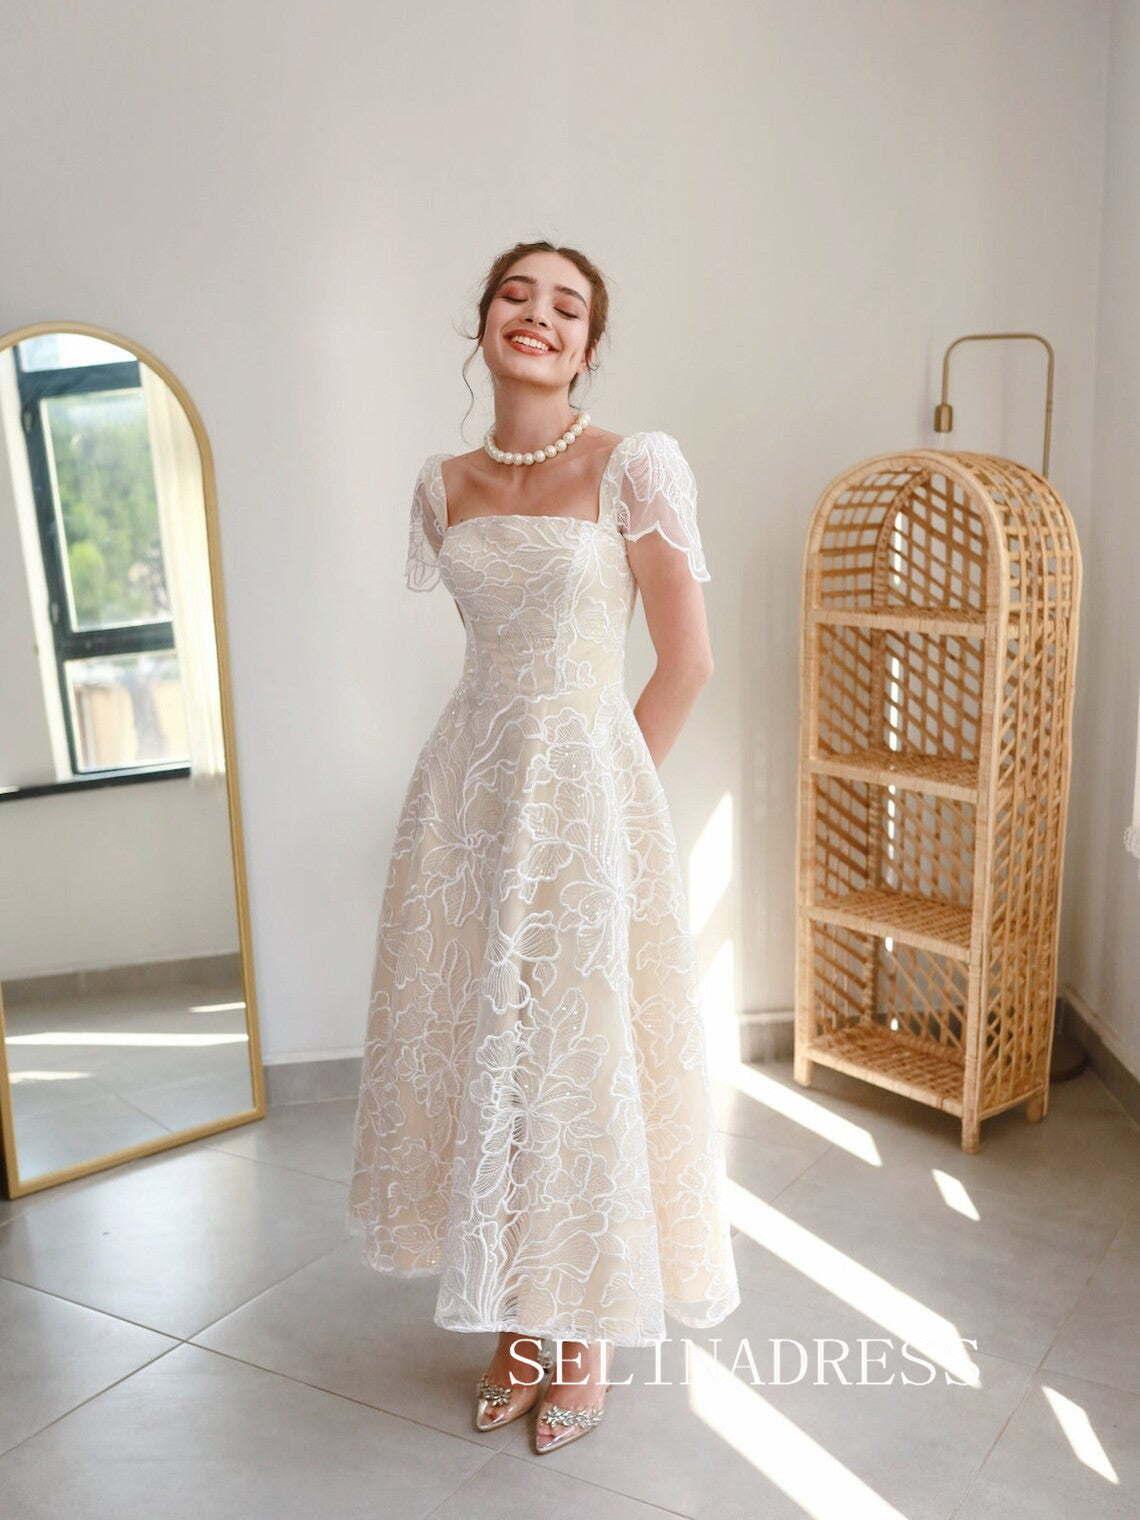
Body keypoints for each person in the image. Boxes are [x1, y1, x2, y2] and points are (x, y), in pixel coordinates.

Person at [347, 239, 739, 1455]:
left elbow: (687, 662)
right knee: (493, 1050)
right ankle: (519, 1315)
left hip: (586, 806)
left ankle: (587, 1331)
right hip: (467, 802)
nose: (539, 314)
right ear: (484, 323)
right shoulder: (442, 485)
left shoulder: (636, 465)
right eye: (517, 293)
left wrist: (610, 800)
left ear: (588, 346)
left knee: (580, 1050)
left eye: (567, 305)